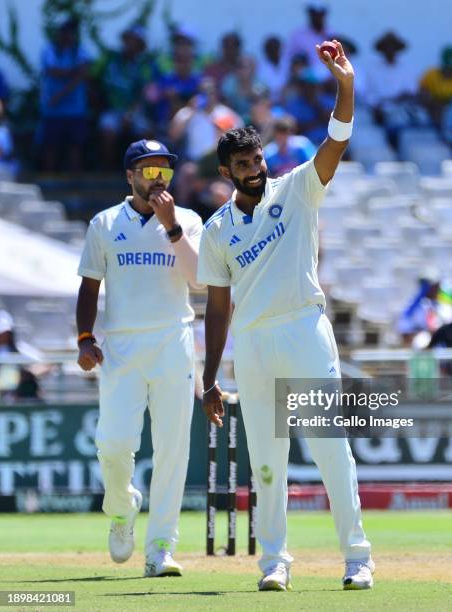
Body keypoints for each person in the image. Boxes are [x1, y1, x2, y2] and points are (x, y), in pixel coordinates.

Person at [197, 41, 373, 591]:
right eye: (242, 164)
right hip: (252, 345)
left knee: (330, 450)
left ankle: (357, 558)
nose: (253, 169)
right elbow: (217, 309)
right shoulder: (215, 230)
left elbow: (336, 140)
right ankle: (274, 563)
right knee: (267, 463)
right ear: (227, 170)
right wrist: (209, 379)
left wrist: (345, 85)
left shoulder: (296, 189)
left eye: (257, 160)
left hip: (303, 329)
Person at [76, 139, 203, 577]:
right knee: (113, 445)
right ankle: (121, 506)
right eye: (148, 171)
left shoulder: (187, 220)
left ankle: (161, 548)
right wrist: (85, 338)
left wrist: (171, 227)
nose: (157, 179)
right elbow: (89, 286)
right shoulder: (105, 223)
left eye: (163, 171)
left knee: (172, 449)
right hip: (122, 348)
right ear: (130, 176)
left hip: (173, 341)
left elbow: (200, 279)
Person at [94, 25, 156, 168]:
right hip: (111, 110)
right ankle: (108, 167)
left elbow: (144, 93)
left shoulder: (144, 65)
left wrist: (130, 114)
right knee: (107, 131)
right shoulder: (110, 59)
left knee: (147, 133)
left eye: (135, 41)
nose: (131, 44)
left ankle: (141, 169)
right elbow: (93, 79)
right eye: (129, 40)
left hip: (134, 111)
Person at [38, 18, 91, 172]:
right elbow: (53, 71)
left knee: (76, 145)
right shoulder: (49, 50)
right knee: (50, 145)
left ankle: (75, 179)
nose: (67, 36)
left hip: (75, 109)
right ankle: (48, 176)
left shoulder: (79, 50)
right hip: (52, 108)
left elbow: (82, 74)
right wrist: (74, 72)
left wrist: (60, 92)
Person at [419, 46, 452, 125]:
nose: (449, 69)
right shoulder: (431, 74)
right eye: (447, 65)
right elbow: (422, 92)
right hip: (436, 108)